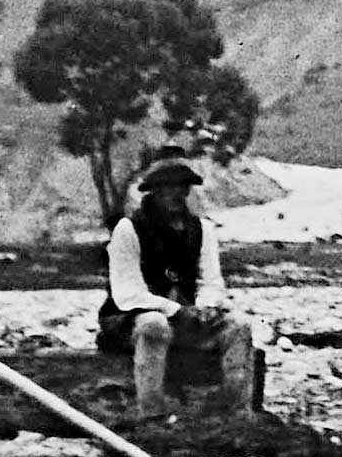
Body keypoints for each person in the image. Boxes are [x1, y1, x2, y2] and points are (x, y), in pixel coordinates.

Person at [100, 146, 269, 416]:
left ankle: (238, 413)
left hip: (188, 319)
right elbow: (128, 293)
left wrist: (206, 307)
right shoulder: (128, 230)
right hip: (130, 320)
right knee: (154, 326)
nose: (176, 194)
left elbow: (211, 280)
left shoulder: (202, 230)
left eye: (183, 187)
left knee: (238, 326)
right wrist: (176, 311)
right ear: (154, 191)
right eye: (168, 187)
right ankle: (151, 414)